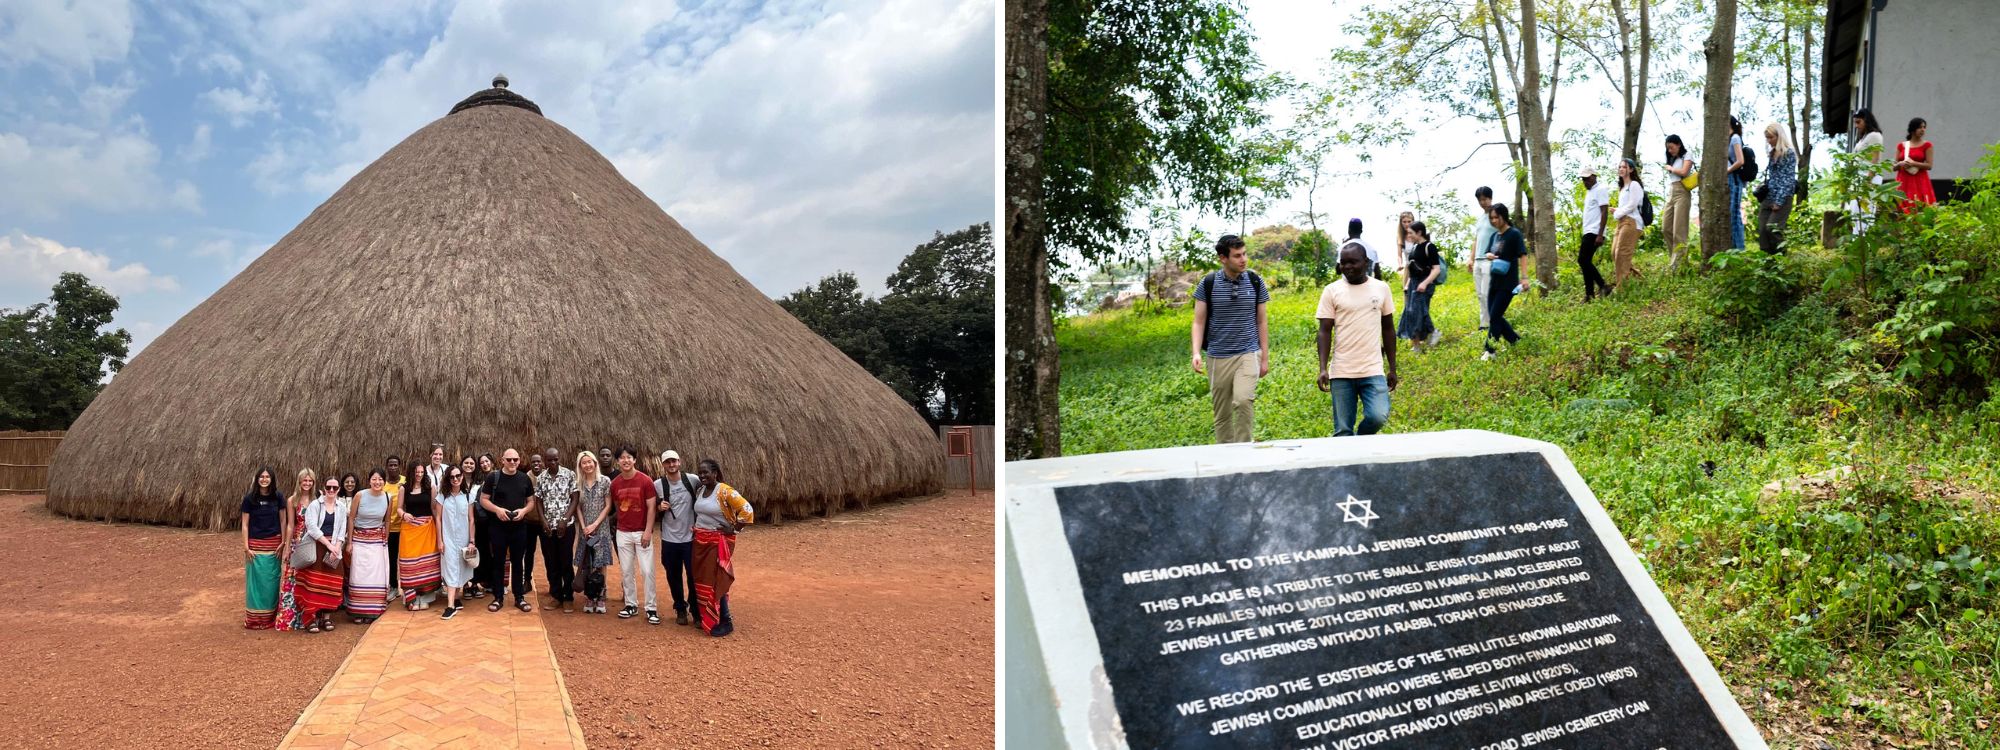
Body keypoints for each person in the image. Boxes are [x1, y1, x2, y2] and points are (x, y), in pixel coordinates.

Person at [1189, 234, 1271, 444]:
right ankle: (1226, 457)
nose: (1243, 259)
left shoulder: (1255, 281)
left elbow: (1262, 322)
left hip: (1249, 351)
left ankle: (1244, 449)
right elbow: (1198, 322)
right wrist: (1196, 352)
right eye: (1237, 256)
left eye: (1244, 254)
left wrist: (1264, 358)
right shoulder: (1208, 283)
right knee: (1222, 413)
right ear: (1223, 258)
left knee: (1244, 401)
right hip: (1218, 356)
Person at [1317, 244, 1399, 436]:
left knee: (1378, 416)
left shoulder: (1381, 288)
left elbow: (1388, 328)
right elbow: (1324, 331)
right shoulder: (1331, 291)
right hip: (1342, 372)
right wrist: (1322, 368)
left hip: (1372, 369)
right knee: (1343, 430)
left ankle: (1360, 440)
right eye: (1343, 263)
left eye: (1353, 262)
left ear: (1366, 262)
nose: (1347, 267)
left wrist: (1392, 367)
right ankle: (1350, 461)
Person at [691, 458, 754, 637]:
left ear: (715, 473)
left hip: (718, 542)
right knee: (704, 580)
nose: (702, 475)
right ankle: (712, 617)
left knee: (717, 578)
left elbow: (747, 510)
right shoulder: (701, 490)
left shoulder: (725, 491)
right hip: (701, 541)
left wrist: (734, 529)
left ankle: (726, 620)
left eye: (706, 472)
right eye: (700, 473)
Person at [479, 448, 539, 613]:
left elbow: (531, 502)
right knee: (498, 562)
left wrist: (524, 511)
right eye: (509, 459)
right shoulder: (493, 477)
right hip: (498, 528)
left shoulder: (524, 478)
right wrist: (498, 510)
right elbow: (483, 500)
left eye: (515, 460)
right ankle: (498, 597)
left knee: (518, 563)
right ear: (502, 460)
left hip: (519, 528)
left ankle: (519, 597)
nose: (512, 462)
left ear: (519, 461)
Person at [609, 447, 660, 624]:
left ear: (634, 460)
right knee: (626, 571)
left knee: (647, 570)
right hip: (623, 532)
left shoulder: (645, 481)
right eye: (622, 458)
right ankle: (631, 604)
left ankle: (651, 607)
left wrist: (647, 531)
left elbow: (652, 508)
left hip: (641, 532)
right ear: (618, 462)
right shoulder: (615, 483)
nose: (625, 461)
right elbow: (617, 506)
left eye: (629, 457)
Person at [654, 450, 701, 626]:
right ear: (663, 465)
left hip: (690, 537)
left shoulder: (692, 480)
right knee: (673, 575)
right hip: (669, 538)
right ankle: (680, 607)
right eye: (667, 462)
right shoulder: (658, 484)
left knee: (693, 575)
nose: (671, 465)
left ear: (679, 462)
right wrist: (660, 507)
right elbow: (652, 506)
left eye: (674, 461)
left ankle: (695, 610)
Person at [296, 476, 348, 633]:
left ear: (339, 489)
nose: (331, 490)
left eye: (335, 488)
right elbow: (311, 526)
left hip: (333, 549)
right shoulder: (315, 505)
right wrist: (328, 545)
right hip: (317, 547)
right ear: (324, 488)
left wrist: (337, 547)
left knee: (331, 582)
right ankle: (310, 618)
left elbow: (342, 528)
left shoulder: (341, 507)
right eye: (328, 487)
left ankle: (326, 617)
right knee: (313, 582)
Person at [242, 467, 289, 630]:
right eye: (261, 476)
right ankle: (254, 619)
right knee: (255, 582)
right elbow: (245, 524)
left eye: (267, 476)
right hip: (255, 545)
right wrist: (246, 547)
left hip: (274, 544)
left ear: (272, 479)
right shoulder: (249, 499)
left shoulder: (278, 497)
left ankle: (270, 618)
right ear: (257, 479)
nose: (264, 479)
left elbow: (283, 521)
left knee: (271, 580)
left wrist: (283, 542)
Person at [533, 447, 578, 613]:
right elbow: (538, 501)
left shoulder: (569, 475)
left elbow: (575, 498)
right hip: (547, 528)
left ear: (559, 459)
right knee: (551, 561)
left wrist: (565, 520)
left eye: (555, 459)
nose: (553, 462)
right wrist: (543, 521)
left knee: (565, 560)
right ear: (545, 461)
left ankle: (568, 597)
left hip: (566, 527)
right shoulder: (541, 478)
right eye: (549, 460)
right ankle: (556, 595)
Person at [1482, 203, 1528, 360]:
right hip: (1494, 281)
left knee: (1495, 316)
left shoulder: (1514, 234)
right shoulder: (1494, 236)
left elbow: (1523, 255)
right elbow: (1488, 251)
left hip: (1509, 283)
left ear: (1504, 216)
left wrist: (1524, 278)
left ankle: (1490, 350)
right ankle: (1515, 340)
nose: (1494, 221)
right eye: (1491, 218)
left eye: (1496, 217)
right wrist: (1489, 255)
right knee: (1495, 316)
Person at [346, 469, 393, 623]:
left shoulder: (388, 497)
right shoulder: (360, 495)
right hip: (359, 539)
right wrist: (350, 542)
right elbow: (351, 519)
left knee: (376, 575)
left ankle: (373, 610)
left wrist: (385, 538)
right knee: (359, 574)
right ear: (369, 480)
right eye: (374, 479)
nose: (377, 482)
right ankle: (358, 611)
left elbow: (387, 521)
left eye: (380, 479)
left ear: (384, 481)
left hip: (377, 541)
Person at [572, 450, 614, 614]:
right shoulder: (578, 484)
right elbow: (578, 508)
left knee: (601, 563)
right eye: (584, 462)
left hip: (601, 529)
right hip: (585, 531)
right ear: (580, 466)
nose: (588, 465)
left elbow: (608, 505)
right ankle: (590, 596)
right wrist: (584, 527)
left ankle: (601, 596)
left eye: (590, 462)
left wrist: (595, 525)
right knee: (587, 563)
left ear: (595, 463)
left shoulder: (604, 481)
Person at [434, 464, 477, 619]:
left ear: (462, 476)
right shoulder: (442, 496)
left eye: (458, 476)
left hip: (464, 539)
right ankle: (450, 605)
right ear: (447, 479)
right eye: (452, 477)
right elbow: (438, 519)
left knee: (462, 567)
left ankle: (457, 598)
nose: (455, 479)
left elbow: (471, 519)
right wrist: (440, 540)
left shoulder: (468, 496)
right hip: (448, 539)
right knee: (451, 568)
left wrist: (471, 541)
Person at [397, 466, 442, 610]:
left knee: (427, 564)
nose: (419, 474)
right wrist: (404, 514)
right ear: (411, 472)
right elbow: (399, 508)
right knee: (410, 564)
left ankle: (425, 597)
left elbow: (434, 510)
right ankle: (412, 598)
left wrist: (439, 530)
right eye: (417, 472)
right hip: (409, 530)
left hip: (427, 529)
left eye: (422, 472)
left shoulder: (431, 488)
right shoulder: (404, 488)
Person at [1394, 222, 1440, 354]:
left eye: (1411, 233)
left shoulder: (1429, 247)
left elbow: (1436, 270)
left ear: (1419, 232)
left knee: (1418, 312)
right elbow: (1412, 268)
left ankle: (1432, 332)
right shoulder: (1414, 248)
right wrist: (1408, 284)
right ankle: (1417, 344)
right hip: (1414, 283)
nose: (1408, 235)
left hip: (1425, 284)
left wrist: (1425, 283)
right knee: (1410, 313)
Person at [1759, 124, 1800, 254]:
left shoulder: (1789, 153)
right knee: (1762, 231)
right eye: (1767, 138)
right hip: (1769, 196)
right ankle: (1767, 263)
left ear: (1779, 136)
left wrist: (1779, 201)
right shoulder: (1771, 154)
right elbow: (1774, 176)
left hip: (1783, 197)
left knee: (1773, 229)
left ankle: (1782, 260)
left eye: (1771, 137)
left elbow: (1788, 179)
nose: (1768, 140)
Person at [1848, 108, 1887, 234]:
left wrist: (1867, 182)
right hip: (1858, 178)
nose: (1856, 126)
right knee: (1855, 211)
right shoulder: (1863, 137)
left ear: (1866, 121)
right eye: (1855, 123)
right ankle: (1857, 244)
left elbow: (1875, 161)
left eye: (1858, 122)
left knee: (1866, 211)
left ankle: (1865, 245)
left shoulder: (1875, 136)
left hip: (1868, 179)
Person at [1578, 168, 1612, 301]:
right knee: (1585, 261)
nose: (1584, 182)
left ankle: (1603, 286)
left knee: (1583, 260)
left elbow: (1604, 211)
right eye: (1583, 179)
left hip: (1595, 231)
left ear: (1594, 177)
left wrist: (1600, 234)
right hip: (1588, 231)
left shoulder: (1600, 189)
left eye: (1586, 179)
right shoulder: (1590, 192)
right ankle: (1590, 294)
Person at [1610, 158, 1644, 289]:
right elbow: (1626, 206)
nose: (1621, 169)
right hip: (1621, 221)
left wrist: (1618, 213)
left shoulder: (1634, 185)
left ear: (1631, 169)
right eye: (1619, 167)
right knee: (1614, 253)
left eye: (1624, 167)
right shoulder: (1623, 188)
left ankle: (1621, 288)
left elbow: (1632, 204)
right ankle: (1636, 277)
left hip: (1631, 222)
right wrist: (1617, 210)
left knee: (1622, 253)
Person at [468, 453, 497, 600]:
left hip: (497, 520)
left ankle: (496, 582)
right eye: (482, 463)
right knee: (483, 551)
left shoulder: (500, 476)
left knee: (496, 552)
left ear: (492, 462)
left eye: (487, 461)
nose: (485, 464)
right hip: (482, 522)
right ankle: (480, 581)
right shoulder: (478, 481)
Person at [1895, 117, 1937, 211]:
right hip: (1903, 180)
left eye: (1924, 127)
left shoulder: (1927, 145)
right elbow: (1894, 167)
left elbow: (1929, 165)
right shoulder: (1901, 146)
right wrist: (1900, 164)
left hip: (1920, 180)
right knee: (1903, 208)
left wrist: (1913, 163)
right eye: (1920, 127)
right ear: (1913, 129)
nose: (1923, 130)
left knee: (1921, 206)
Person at [1662, 135, 1694, 257]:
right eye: (1668, 148)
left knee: (1679, 231)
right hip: (1672, 191)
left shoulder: (1687, 155)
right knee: (1666, 228)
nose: (1670, 150)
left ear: (1679, 144)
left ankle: (1679, 263)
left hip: (1682, 191)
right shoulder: (1671, 158)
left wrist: (1671, 168)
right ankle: (1674, 258)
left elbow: (1684, 172)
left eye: (1671, 147)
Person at [1470, 187, 1497, 330]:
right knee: (1480, 294)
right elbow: (1476, 239)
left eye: (1485, 199)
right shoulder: (1480, 219)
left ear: (1490, 198)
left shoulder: (1495, 216)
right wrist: (1471, 258)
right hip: (1478, 260)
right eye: (1480, 199)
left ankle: (1491, 321)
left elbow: (1504, 233)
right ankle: (1484, 322)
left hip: (1489, 260)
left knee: (1487, 292)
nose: (1483, 202)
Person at [382, 455, 404, 600]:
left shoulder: (405, 481)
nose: (393, 467)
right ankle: (394, 587)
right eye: (390, 465)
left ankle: (410, 587)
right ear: (387, 467)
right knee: (391, 558)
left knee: (406, 558)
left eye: (395, 465)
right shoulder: (382, 485)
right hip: (390, 528)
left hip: (405, 527)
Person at [1395, 211, 1415, 277]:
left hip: (1421, 266)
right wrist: (1400, 264)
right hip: (1408, 267)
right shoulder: (1400, 237)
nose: (1407, 224)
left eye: (1409, 221)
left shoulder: (1418, 234)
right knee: (1406, 287)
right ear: (1401, 223)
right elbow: (1399, 255)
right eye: (1404, 222)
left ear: (1413, 221)